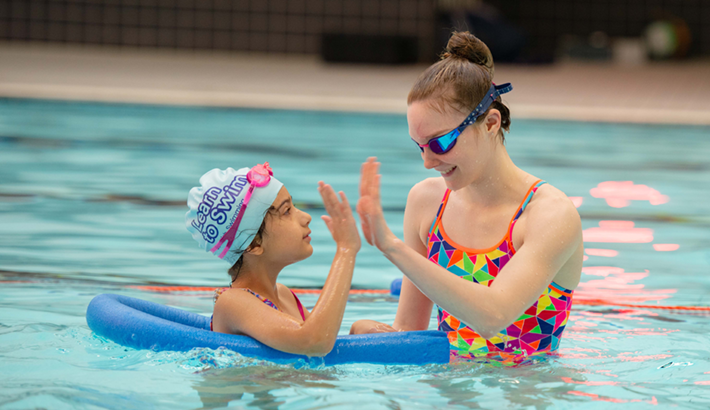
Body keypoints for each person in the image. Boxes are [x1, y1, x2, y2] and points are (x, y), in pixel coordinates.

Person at [351, 32, 583, 364]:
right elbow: (410, 331)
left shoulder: (548, 215)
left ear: (490, 123)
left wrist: (391, 245)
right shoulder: (427, 203)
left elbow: (494, 316)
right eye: (419, 146)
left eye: (440, 143)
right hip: (450, 391)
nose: (428, 162)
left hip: (526, 393)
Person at [185, 162, 360, 356]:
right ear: (253, 244)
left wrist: (357, 335)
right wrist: (346, 251)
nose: (306, 217)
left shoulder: (284, 296)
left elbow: (323, 344)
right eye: (287, 211)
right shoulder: (232, 302)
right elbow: (314, 342)